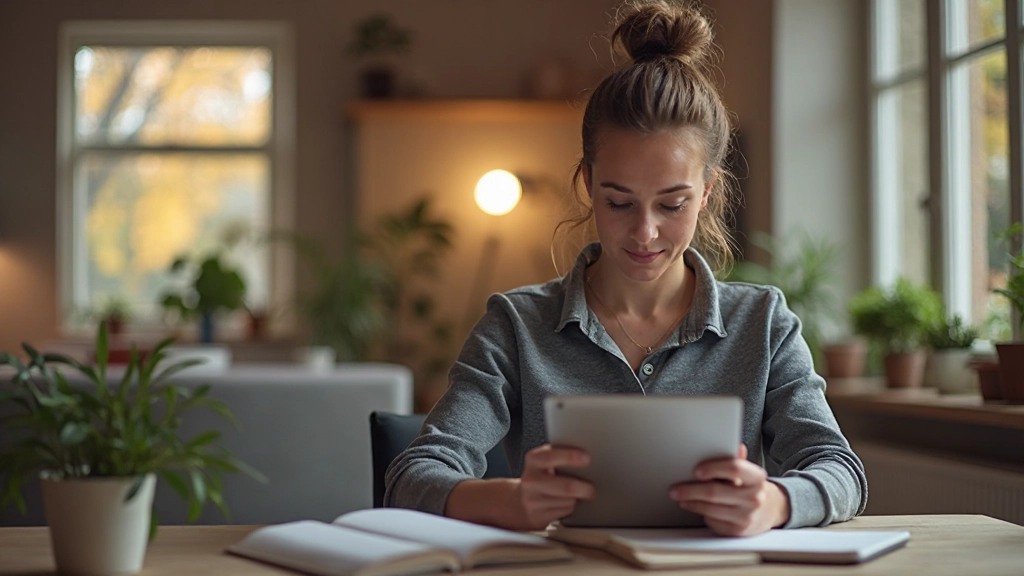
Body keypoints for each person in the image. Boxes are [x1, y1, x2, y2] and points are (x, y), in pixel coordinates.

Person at [384, 0, 867, 537]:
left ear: (706, 192)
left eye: (672, 204)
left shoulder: (764, 322)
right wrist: (508, 500)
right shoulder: (517, 325)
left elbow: (841, 470)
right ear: (588, 182)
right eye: (619, 202)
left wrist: (775, 502)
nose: (644, 233)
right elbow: (410, 477)